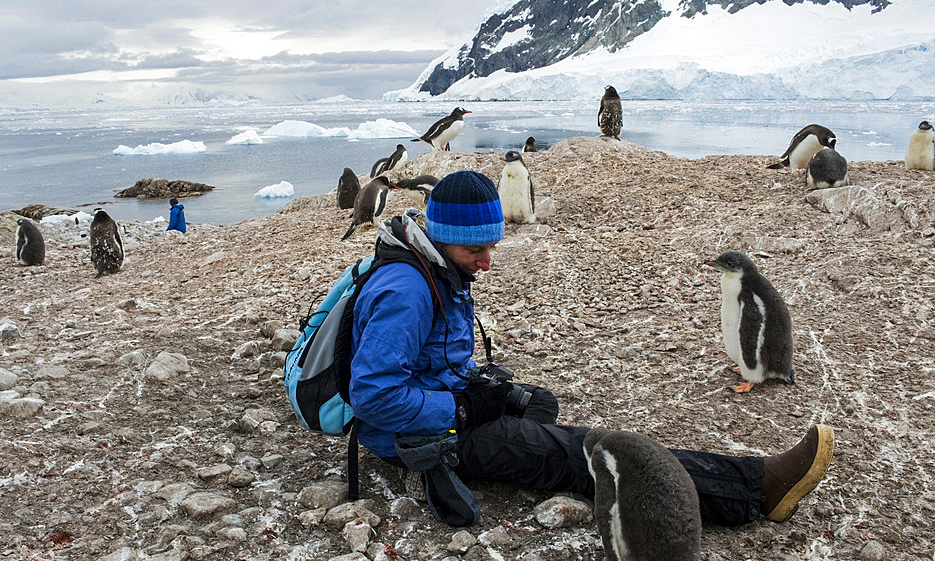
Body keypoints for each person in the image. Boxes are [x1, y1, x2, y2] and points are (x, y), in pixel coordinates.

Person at [348, 170, 833, 526]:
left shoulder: (435, 264)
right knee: (586, 450)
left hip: (443, 403)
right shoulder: (406, 291)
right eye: (477, 251)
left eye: (492, 247)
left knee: (539, 404)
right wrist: (462, 407)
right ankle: (756, 487)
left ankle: (528, 456)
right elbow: (373, 397)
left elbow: (428, 355)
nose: (488, 263)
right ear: (445, 238)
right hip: (412, 434)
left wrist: (473, 383)